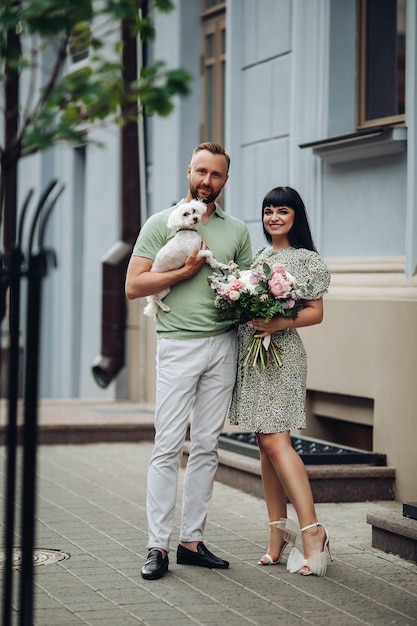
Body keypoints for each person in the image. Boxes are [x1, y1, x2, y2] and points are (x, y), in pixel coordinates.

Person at [125, 142, 252, 580]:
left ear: (225, 180)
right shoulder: (161, 223)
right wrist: (182, 274)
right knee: (167, 445)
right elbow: (133, 285)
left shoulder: (236, 230)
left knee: (207, 447)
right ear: (188, 171)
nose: (206, 181)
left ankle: (191, 542)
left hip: (223, 345)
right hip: (178, 344)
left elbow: (247, 284)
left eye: (216, 175)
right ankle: (156, 546)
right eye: (201, 172)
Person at [228, 186, 332, 577]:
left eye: (282, 211)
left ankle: (312, 533)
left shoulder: (305, 260)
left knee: (276, 439)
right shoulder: (259, 258)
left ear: (295, 216)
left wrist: (278, 322)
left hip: (282, 358)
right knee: (263, 443)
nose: (274, 217)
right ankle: (276, 538)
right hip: (254, 358)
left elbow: (316, 313)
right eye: (268, 211)